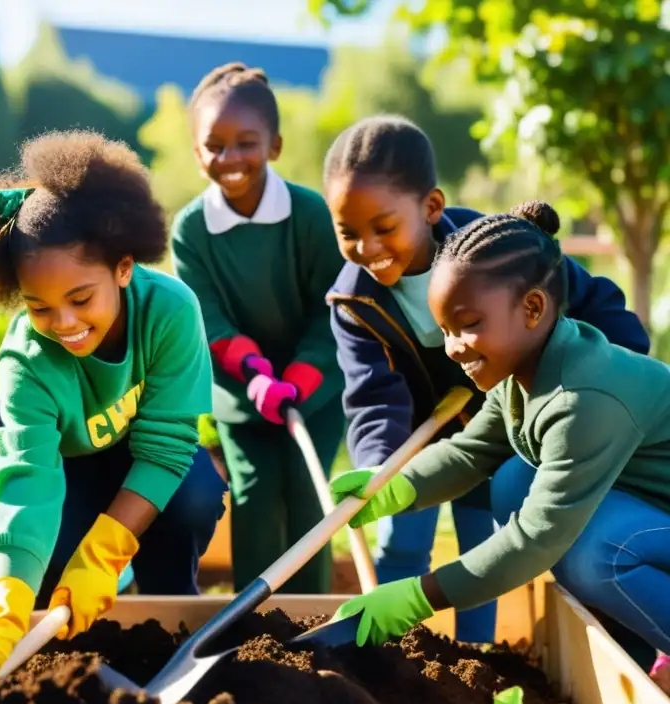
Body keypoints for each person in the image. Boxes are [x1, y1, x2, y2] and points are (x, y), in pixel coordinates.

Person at [322, 115, 649, 642]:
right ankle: (387, 649)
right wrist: (384, 475)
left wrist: (596, 381)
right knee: (407, 538)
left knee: (509, 540)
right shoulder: (354, 302)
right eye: (348, 233)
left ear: (431, 207)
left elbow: (606, 314)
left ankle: (478, 652)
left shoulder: (503, 253)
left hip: (531, 426)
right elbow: (375, 399)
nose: (367, 246)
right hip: (429, 434)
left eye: (383, 227)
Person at [0, 129, 227, 704]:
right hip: (69, 476)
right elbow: (27, 478)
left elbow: (168, 445)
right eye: (40, 307)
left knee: (197, 492)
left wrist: (107, 551)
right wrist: (3, 606)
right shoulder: (26, 361)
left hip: (146, 461)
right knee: (49, 587)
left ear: (123, 269)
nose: (64, 322)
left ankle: (172, 615)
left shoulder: (169, 310)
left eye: (80, 297)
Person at [170, 63, 347, 594]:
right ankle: (252, 622)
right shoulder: (192, 230)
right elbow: (209, 316)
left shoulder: (312, 216)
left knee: (308, 495)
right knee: (256, 493)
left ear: (274, 145)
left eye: (246, 142)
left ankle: (309, 615)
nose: (230, 158)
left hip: (314, 390)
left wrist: (298, 378)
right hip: (241, 397)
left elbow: (331, 311)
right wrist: (253, 374)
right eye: (214, 145)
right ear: (197, 151)